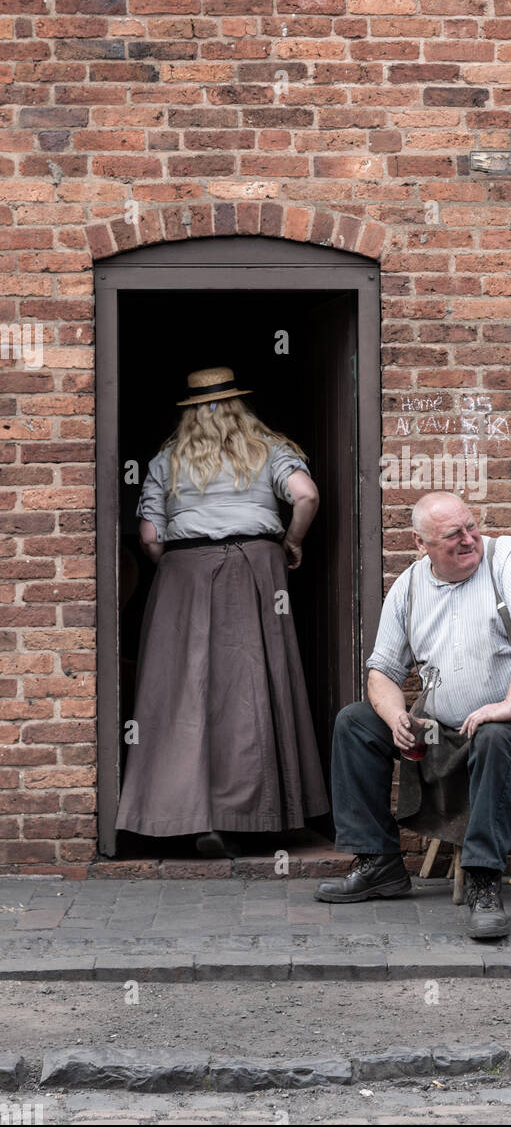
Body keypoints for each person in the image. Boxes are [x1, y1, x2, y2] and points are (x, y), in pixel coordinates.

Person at [316, 492, 511, 939]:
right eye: (452, 534)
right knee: (356, 722)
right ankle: (379, 862)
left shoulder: (507, 557)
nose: (468, 539)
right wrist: (396, 714)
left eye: (470, 526)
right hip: (450, 730)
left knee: (496, 735)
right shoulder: (410, 586)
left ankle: (483, 882)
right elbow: (381, 671)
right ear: (421, 544)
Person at [115, 366, 330, 857]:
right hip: (256, 566)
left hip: (183, 573)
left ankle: (186, 815)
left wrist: (175, 566)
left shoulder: (167, 457)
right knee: (252, 685)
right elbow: (307, 495)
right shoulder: (270, 448)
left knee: (180, 693)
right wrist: (291, 543)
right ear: (241, 406)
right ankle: (257, 816)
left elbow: (150, 537)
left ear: (188, 413)